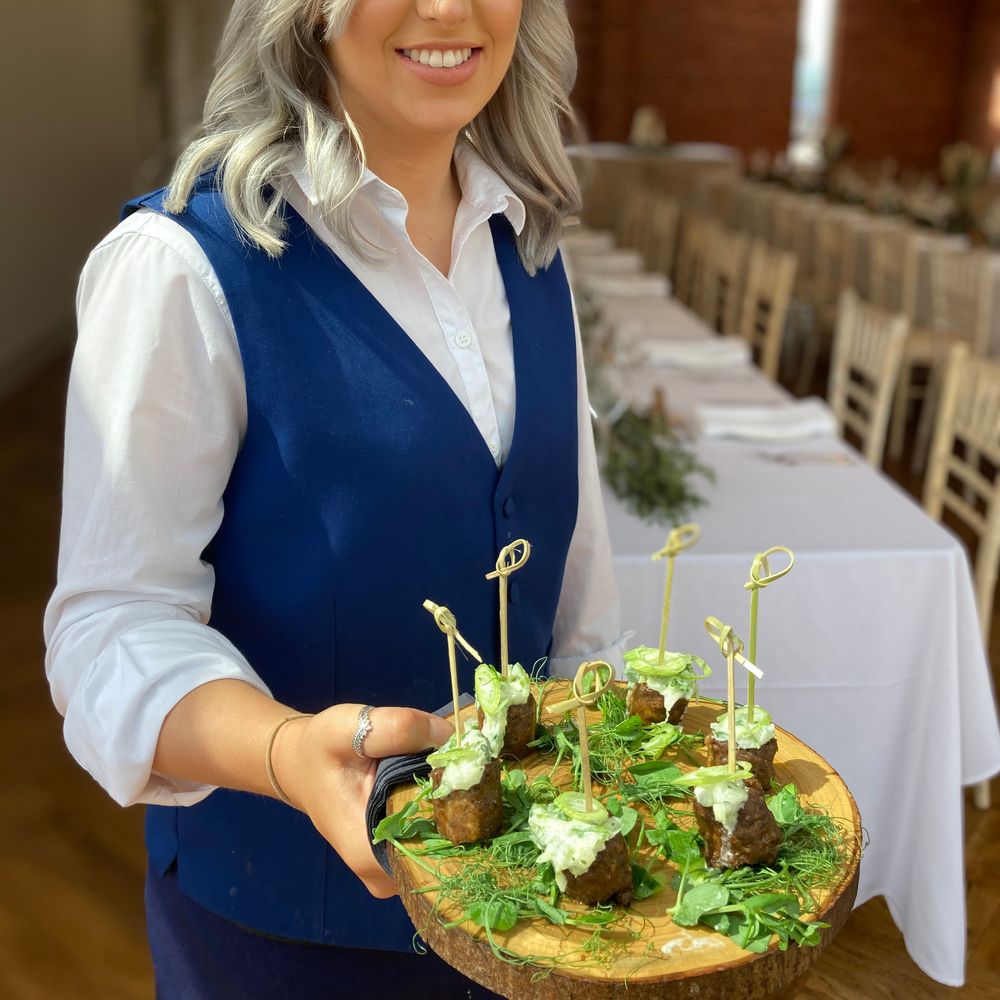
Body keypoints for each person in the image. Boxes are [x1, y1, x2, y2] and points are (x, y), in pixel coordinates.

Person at [44, 0, 624, 995]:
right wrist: (285, 752)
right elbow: (110, 624)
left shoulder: (529, 248)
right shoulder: (182, 265)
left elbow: (577, 584)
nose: (448, 8)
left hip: (532, 924)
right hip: (287, 939)